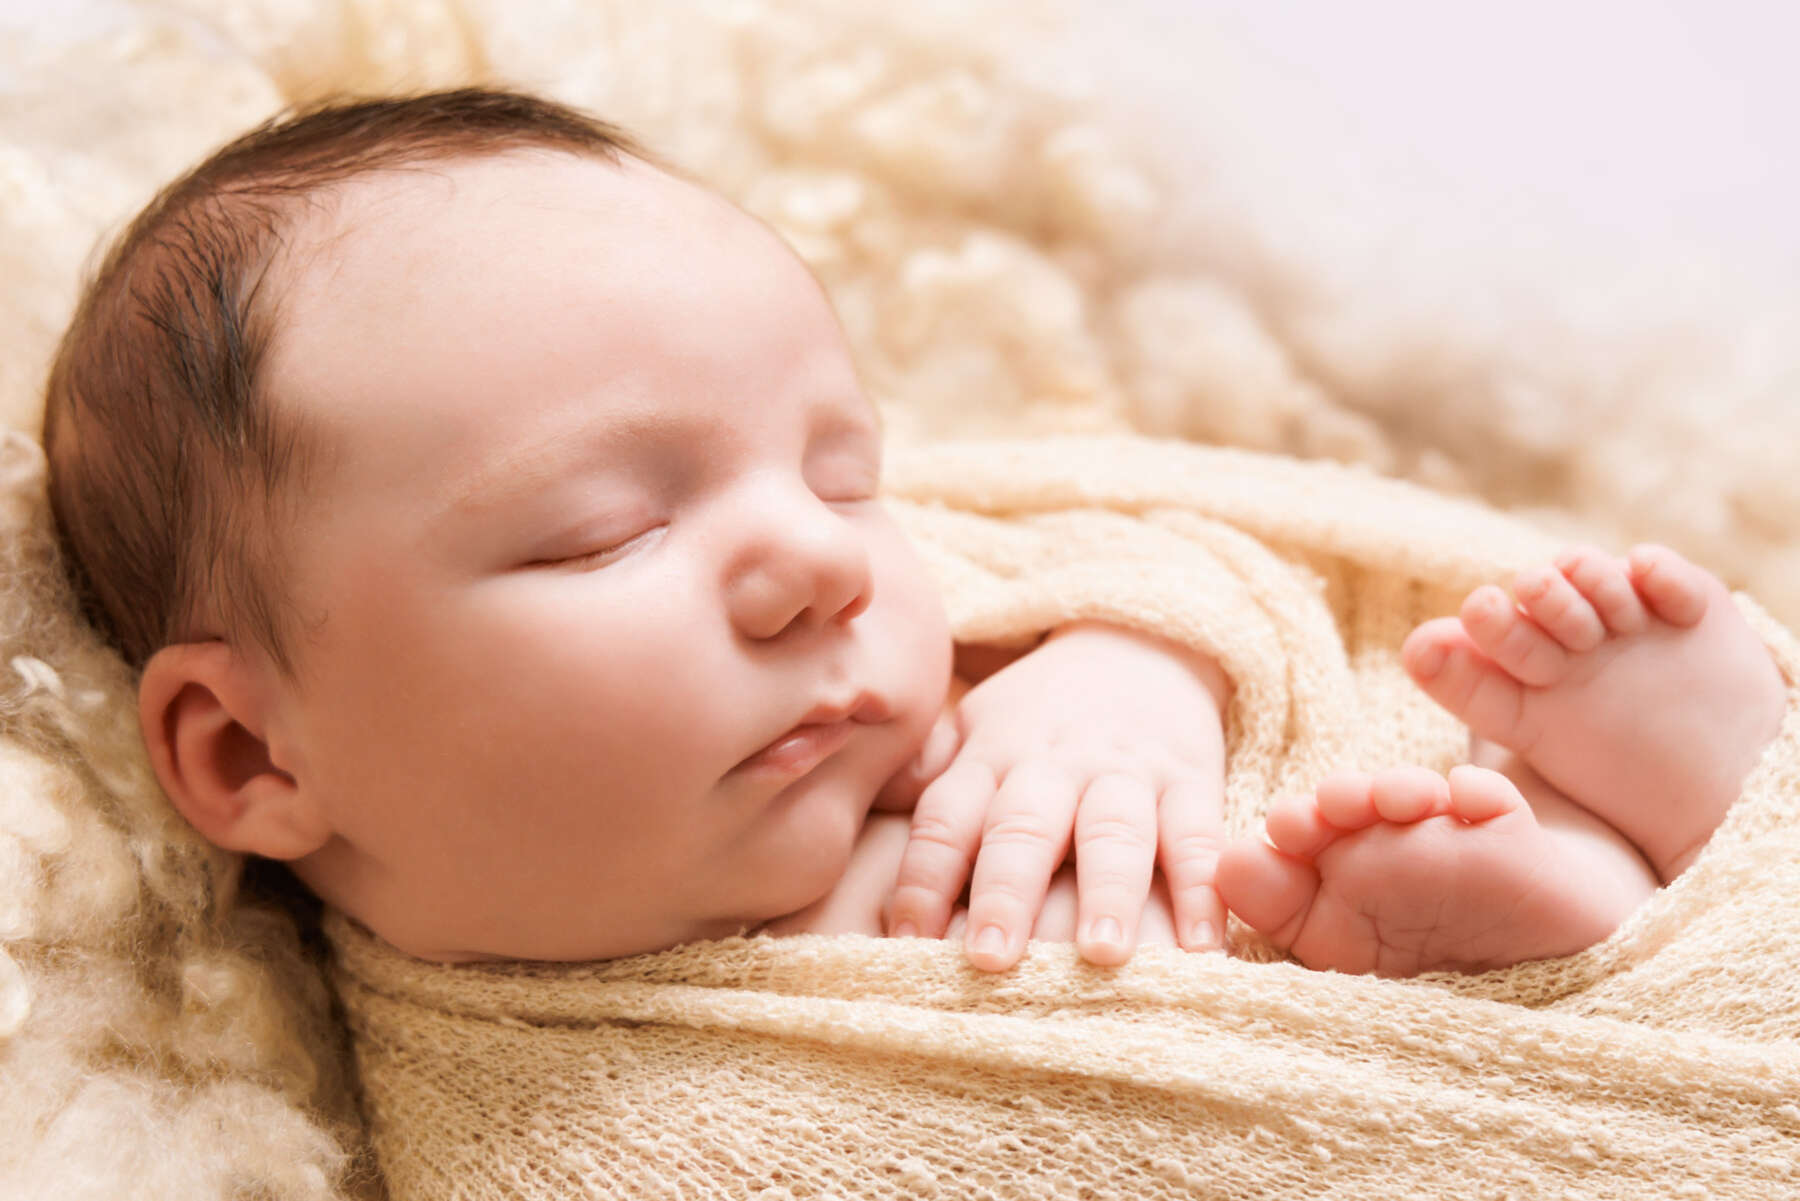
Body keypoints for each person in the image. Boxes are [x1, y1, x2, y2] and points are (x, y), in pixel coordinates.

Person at [41, 89, 1789, 982]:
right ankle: (1557, 935)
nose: (818, 561)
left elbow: (1164, 540)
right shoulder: (496, 1082)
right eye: (601, 532)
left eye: (845, 469)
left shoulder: (958, 680)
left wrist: (1130, 671)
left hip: (1314, 822)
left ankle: (1677, 818)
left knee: (1390, 774)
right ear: (251, 746)